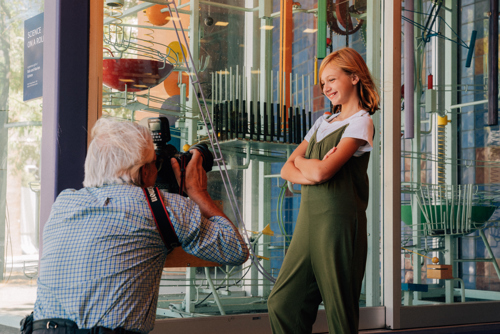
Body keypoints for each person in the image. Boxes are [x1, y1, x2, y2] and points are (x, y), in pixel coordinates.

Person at [32, 117, 249, 334]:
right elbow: (236, 250)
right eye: (157, 163)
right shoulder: (161, 207)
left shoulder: (64, 202)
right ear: (144, 171)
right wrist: (197, 192)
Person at [267, 47, 379, 334]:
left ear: (354, 77)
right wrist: (308, 166)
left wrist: (304, 166)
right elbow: (287, 169)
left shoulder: (361, 122)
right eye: (323, 83)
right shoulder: (322, 122)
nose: (326, 88)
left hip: (338, 222)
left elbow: (322, 172)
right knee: (282, 303)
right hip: (308, 221)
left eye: (332, 80)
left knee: (340, 311)